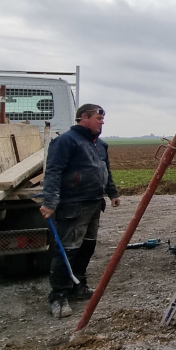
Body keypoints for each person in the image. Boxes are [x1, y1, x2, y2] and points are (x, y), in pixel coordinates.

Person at [39, 103, 121, 318]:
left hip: (94, 203)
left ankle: (79, 285)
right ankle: (58, 295)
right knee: (68, 249)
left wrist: (112, 193)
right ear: (84, 117)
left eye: (103, 119)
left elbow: (105, 171)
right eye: (99, 119)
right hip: (73, 204)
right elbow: (54, 172)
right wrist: (50, 201)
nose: (102, 122)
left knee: (87, 247)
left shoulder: (99, 145)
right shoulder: (66, 141)